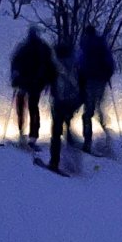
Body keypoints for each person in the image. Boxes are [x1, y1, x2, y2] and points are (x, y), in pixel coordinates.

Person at [10, 26, 55, 146]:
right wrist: (49, 82)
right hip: (37, 83)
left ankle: (21, 132)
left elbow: (15, 63)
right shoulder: (44, 48)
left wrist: (15, 79)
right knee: (33, 107)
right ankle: (33, 135)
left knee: (21, 107)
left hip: (24, 82)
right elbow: (51, 66)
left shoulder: (24, 47)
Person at [74, 23, 116, 153]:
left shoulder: (85, 45)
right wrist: (107, 75)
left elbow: (79, 62)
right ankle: (106, 131)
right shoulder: (102, 45)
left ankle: (88, 142)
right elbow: (111, 62)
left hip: (89, 81)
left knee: (88, 113)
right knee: (99, 107)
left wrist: (79, 78)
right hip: (101, 81)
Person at [46, 38, 82, 172]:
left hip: (60, 102)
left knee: (56, 131)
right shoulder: (75, 63)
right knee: (67, 126)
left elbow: (50, 80)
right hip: (73, 102)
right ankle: (74, 158)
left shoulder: (56, 65)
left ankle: (54, 162)